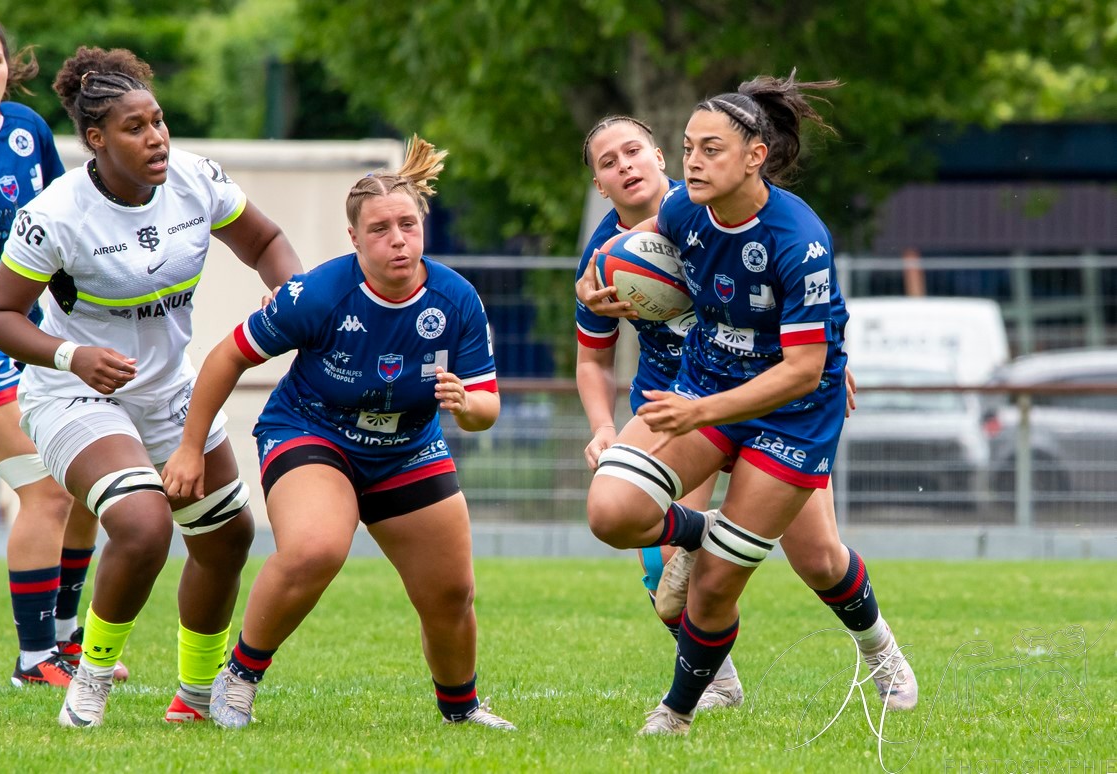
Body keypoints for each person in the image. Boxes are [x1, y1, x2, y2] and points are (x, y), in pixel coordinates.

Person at [578, 73, 918, 736]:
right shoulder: (681, 214)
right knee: (612, 512)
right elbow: (630, 265)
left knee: (797, 564)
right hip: (706, 384)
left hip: (792, 412)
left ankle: (682, 710)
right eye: (687, 149)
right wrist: (595, 292)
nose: (692, 163)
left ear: (754, 156)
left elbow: (802, 371)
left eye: (710, 150)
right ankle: (709, 533)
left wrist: (709, 409)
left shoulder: (799, 238)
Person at [0, 45, 303, 728]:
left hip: (167, 392)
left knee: (228, 539)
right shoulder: (56, 213)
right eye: (135, 128)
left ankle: (196, 697)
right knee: (142, 524)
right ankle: (90, 679)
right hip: (73, 394)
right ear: (96, 140)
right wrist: (71, 355)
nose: (156, 137)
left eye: (158, 120)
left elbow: (266, 242)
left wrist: (292, 298)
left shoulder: (195, 179)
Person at [161, 135, 515, 732]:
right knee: (316, 548)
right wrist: (190, 448)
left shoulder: (457, 299)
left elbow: (486, 408)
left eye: (408, 225)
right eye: (380, 229)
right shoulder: (319, 293)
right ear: (353, 238)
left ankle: (461, 710)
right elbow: (227, 356)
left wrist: (467, 406)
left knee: (451, 592)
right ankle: (238, 678)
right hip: (311, 432)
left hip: (407, 447)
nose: (397, 239)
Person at [0, 11, 128, 688]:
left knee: (83, 481)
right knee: (46, 486)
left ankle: (63, 639)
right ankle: (33, 661)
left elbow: (63, 221)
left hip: (34, 333)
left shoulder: (27, 129)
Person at [575, 115, 742, 710]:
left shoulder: (709, 209)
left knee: (816, 554)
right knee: (662, 568)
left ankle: (879, 647)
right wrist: (602, 427)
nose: (624, 165)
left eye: (633, 151)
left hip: (749, 388)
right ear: (600, 186)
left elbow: (784, 272)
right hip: (670, 401)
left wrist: (825, 353)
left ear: (660, 157)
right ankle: (718, 680)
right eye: (608, 162)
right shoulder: (601, 262)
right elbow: (592, 360)